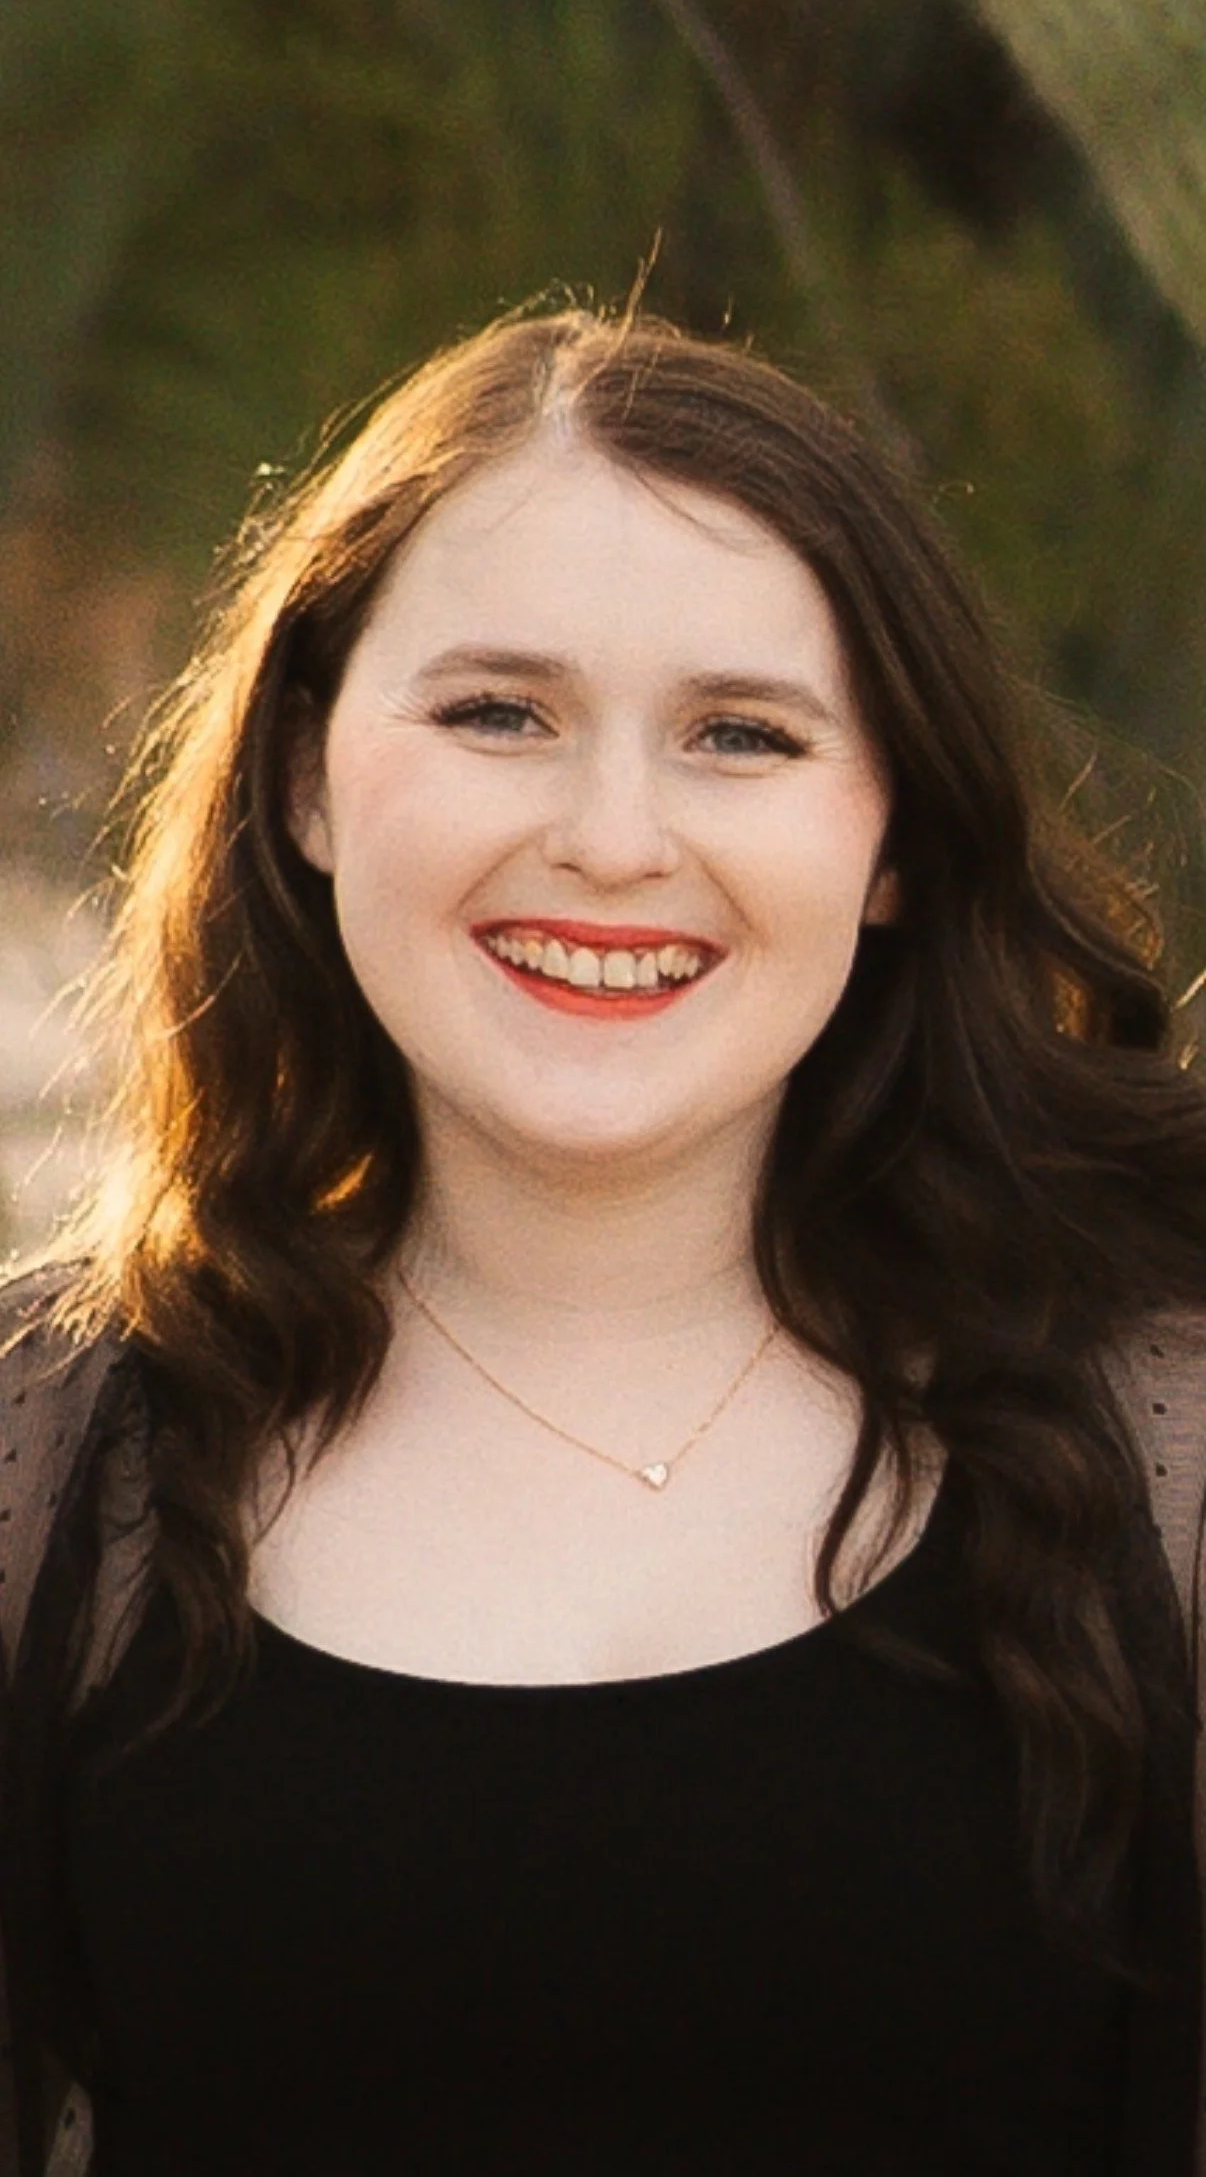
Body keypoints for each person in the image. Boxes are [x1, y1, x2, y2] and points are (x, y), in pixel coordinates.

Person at [0, 302, 1204, 2177]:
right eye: (500, 712)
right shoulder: (51, 1466)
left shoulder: (1165, 1452)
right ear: (309, 777)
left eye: (740, 733)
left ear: (889, 834)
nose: (615, 837)